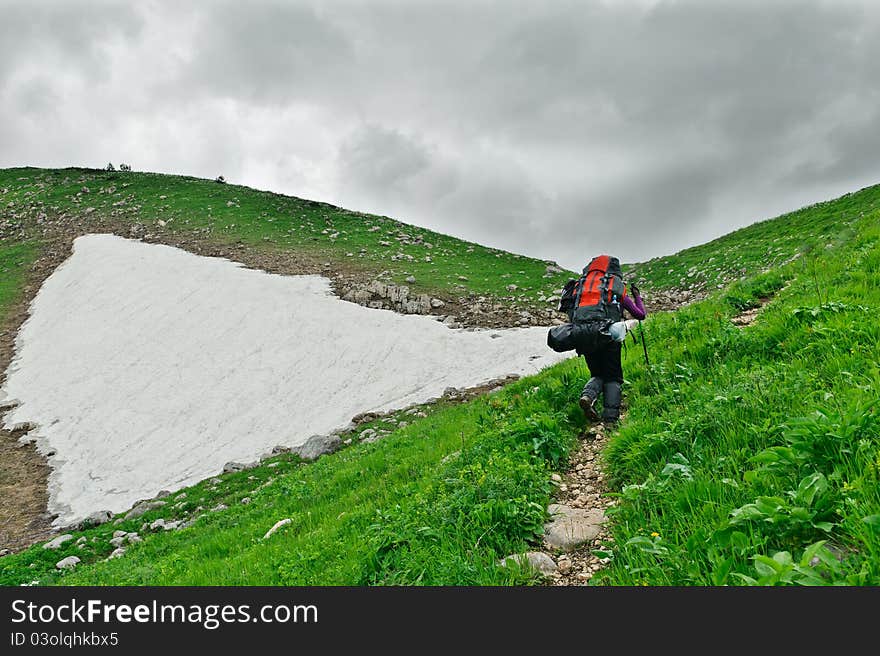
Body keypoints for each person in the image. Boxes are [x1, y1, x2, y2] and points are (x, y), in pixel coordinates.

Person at [569, 254, 646, 425]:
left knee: (597, 373)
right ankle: (610, 421)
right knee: (612, 377)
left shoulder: (580, 286)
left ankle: (588, 396)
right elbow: (640, 315)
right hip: (608, 335)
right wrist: (637, 296)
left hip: (582, 334)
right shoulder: (615, 285)